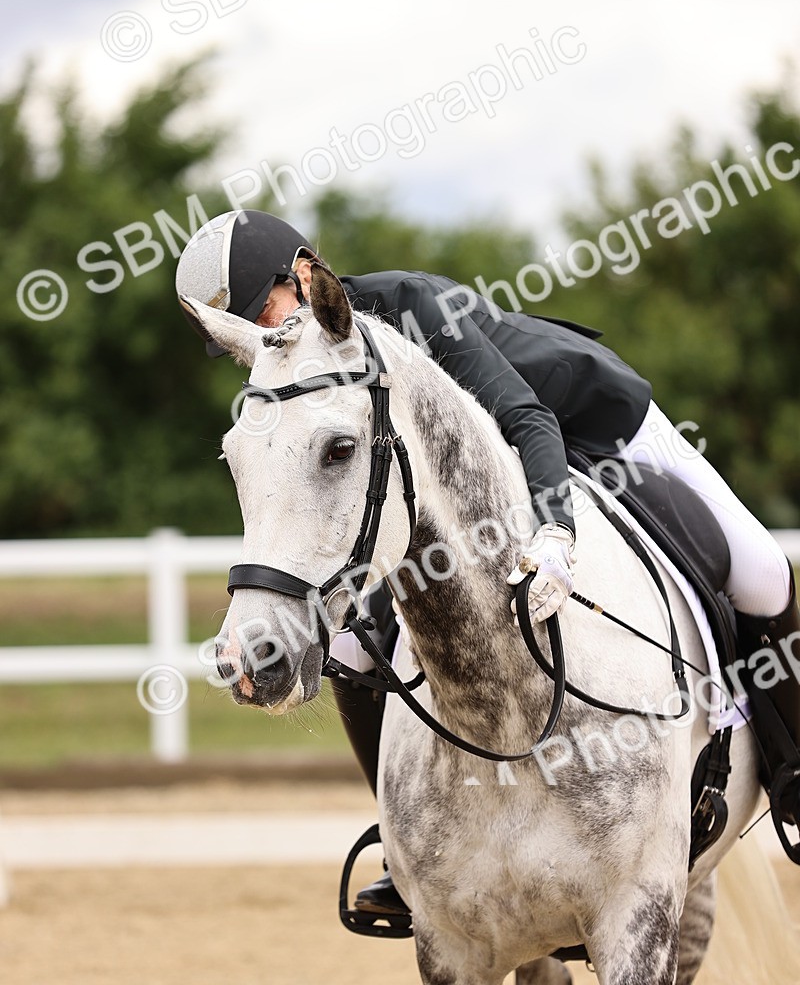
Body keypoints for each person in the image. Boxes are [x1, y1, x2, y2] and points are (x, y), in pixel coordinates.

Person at [176, 209, 800, 904]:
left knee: (763, 572)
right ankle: (401, 837)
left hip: (597, 426)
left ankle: (791, 769)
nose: (267, 341)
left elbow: (526, 418)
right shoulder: (302, 377)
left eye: (267, 312)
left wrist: (557, 533)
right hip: (490, 482)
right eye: (250, 335)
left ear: (303, 275)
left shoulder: (410, 306)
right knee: (350, 646)